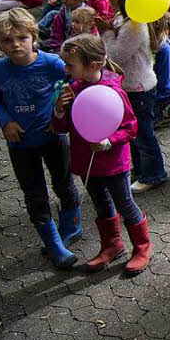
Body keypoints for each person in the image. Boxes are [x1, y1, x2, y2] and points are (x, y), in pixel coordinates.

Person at [0, 9, 80, 268]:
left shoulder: (52, 63)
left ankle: (70, 227)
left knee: (63, 184)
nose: (15, 44)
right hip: (20, 143)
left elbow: (74, 84)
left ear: (33, 37)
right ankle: (53, 245)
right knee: (34, 194)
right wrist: (6, 121)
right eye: (7, 40)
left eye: (22, 38)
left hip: (53, 137)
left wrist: (61, 111)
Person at [53, 34, 151, 275]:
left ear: (93, 65)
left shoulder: (113, 92)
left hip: (113, 164)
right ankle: (111, 244)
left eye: (70, 64)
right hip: (86, 161)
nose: (65, 69)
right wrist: (59, 109)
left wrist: (108, 142)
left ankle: (142, 247)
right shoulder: (72, 90)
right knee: (101, 204)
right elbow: (60, 127)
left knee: (124, 204)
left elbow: (130, 128)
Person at [98, 0, 167, 193]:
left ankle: (154, 174)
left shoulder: (134, 26)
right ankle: (140, 170)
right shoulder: (123, 19)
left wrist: (105, 32)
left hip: (139, 88)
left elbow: (115, 56)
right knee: (134, 134)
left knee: (143, 133)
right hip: (130, 87)